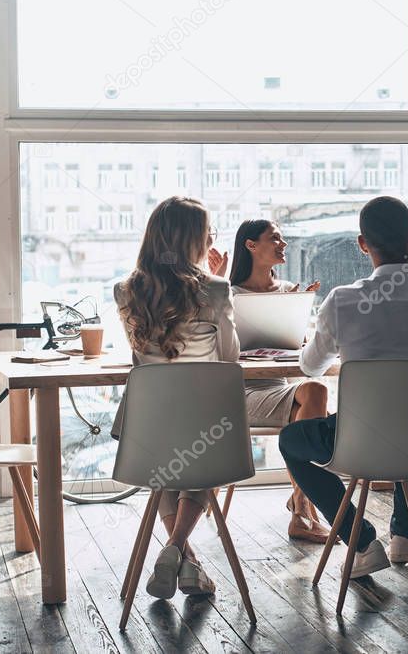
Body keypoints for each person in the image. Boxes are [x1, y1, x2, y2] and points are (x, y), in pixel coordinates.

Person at [278, 196, 408, 578]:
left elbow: (311, 369)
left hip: (358, 440)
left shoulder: (343, 301)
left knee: (292, 441)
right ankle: (402, 535)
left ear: (363, 244)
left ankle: (362, 541)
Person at [113, 196, 238, 599]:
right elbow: (230, 359)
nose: (211, 240)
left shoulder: (125, 290)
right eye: (208, 233)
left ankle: (186, 562)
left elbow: (139, 359)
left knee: (165, 465)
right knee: (210, 445)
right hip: (205, 426)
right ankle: (176, 550)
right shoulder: (216, 289)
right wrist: (216, 280)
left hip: (147, 430)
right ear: (192, 240)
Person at [228, 218, 332, 543]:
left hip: (280, 389)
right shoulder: (228, 296)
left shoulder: (289, 292)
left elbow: (301, 352)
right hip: (240, 392)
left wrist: (299, 320)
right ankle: (301, 506)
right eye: (274, 239)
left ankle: (300, 504)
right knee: (314, 393)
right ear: (250, 245)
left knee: (314, 392)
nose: (282, 244)